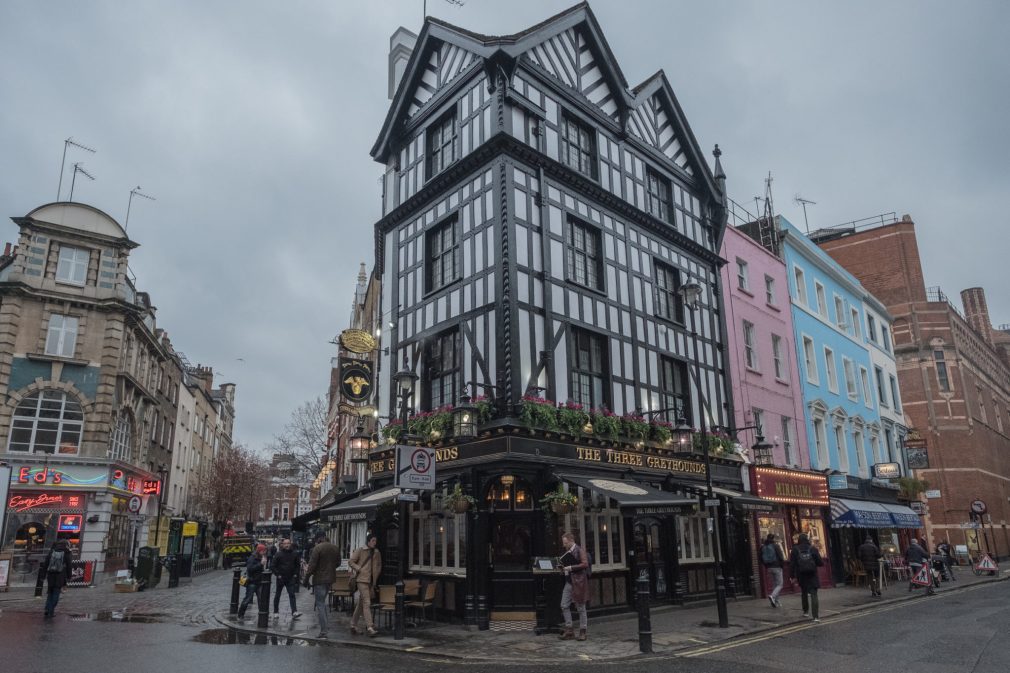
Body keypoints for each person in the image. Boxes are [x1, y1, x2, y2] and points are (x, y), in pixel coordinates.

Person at [303, 532, 341, 639]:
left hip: (319, 579)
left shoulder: (317, 548)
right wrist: (330, 569)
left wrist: (306, 579)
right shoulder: (335, 548)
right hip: (330, 579)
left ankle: (324, 631)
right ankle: (325, 628)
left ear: (319, 539)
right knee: (323, 603)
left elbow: (311, 566)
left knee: (320, 604)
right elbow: (338, 562)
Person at [558, 531, 590, 641]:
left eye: (565, 543)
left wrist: (570, 567)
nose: (564, 545)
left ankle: (583, 632)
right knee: (564, 605)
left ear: (571, 541)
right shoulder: (567, 552)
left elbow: (585, 564)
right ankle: (569, 630)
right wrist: (562, 569)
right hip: (569, 582)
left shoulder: (580, 550)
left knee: (581, 607)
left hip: (578, 582)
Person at [348, 535, 382, 638]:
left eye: (375, 540)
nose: (374, 542)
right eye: (373, 540)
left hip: (371, 581)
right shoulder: (360, 550)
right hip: (361, 580)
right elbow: (351, 562)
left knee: (361, 604)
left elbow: (379, 564)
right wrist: (358, 568)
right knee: (367, 602)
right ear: (368, 541)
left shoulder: (377, 552)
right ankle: (370, 627)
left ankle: (353, 625)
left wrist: (376, 574)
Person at [789, 533, 824, 622]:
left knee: (804, 592)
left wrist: (792, 576)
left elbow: (792, 564)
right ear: (807, 539)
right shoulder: (813, 548)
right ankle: (815, 616)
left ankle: (805, 612)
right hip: (812, 574)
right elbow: (820, 562)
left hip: (801, 574)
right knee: (813, 594)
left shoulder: (795, 549)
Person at [270, 538, 302, 620]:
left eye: (288, 543)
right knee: (277, 595)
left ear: (290, 544)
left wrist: (295, 574)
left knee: (292, 594)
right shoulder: (278, 554)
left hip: (290, 577)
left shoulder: (294, 554)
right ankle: (276, 612)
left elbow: (297, 565)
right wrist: (278, 574)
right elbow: (273, 566)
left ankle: (294, 611)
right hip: (281, 577)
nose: (287, 545)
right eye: (285, 543)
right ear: (282, 544)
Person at [42, 540, 73, 619]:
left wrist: (43, 575)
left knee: (50, 592)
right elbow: (69, 566)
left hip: (50, 574)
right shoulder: (66, 553)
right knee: (56, 593)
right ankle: (51, 610)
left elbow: (46, 564)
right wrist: (69, 576)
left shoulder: (52, 552)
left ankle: (47, 608)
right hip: (60, 575)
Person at [237, 543, 269, 619]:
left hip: (259, 582)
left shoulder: (262, 557)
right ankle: (240, 614)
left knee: (261, 599)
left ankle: (262, 614)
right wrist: (261, 564)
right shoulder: (252, 558)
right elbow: (250, 569)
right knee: (247, 599)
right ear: (259, 550)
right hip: (252, 582)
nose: (264, 552)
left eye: (265, 551)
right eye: (263, 551)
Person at [760, 533, 786, 607]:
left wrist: (766, 565)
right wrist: (782, 565)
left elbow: (760, 558)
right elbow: (781, 556)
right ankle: (772, 596)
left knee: (775, 584)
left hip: (769, 568)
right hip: (777, 567)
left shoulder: (763, 547)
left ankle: (776, 601)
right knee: (780, 584)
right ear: (773, 539)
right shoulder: (776, 546)